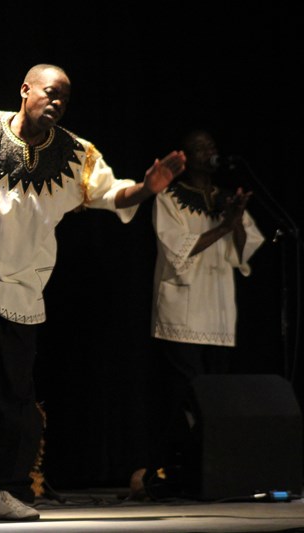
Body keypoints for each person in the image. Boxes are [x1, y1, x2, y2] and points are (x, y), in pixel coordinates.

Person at [0, 64, 186, 522]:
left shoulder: (75, 154)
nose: (57, 103)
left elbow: (110, 195)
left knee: (15, 389)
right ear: (25, 90)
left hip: (24, 283)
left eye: (64, 99)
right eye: (50, 93)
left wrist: (146, 189)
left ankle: (5, 486)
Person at [130, 129, 265, 499]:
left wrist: (234, 220)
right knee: (185, 396)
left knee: (217, 395)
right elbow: (178, 250)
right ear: (187, 156)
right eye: (201, 148)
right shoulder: (169, 197)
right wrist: (223, 225)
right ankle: (175, 468)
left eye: (213, 147)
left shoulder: (225, 198)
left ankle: (215, 469)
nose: (210, 153)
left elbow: (244, 250)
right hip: (183, 313)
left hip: (219, 311)